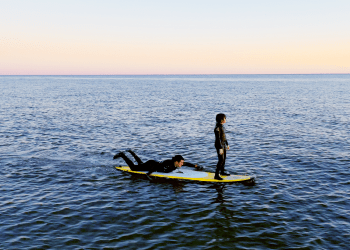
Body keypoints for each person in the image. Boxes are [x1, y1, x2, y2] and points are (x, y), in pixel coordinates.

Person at [113, 150, 201, 176]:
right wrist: (149, 173)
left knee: (140, 164)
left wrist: (195, 166)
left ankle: (132, 153)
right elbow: (156, 167)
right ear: (176, 162)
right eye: (181, 163)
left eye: (182, 163)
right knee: (133, 168)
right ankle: (123, 155)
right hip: (150, 165)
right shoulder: (168, 164)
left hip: (152, 163)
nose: (182, 164)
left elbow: (187, 164)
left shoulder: (176, 163)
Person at [214, 113, 230, 180]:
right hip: (219, 145)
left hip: (223, 144)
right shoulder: (217, 128)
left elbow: (224, 137)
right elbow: (218, 139)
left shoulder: (222, 126)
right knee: (221, 160)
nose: (225, 119)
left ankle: (222, 172)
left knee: (224, 159)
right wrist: (220, 148)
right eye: (224, 118)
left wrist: (227, 144)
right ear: (221, 119)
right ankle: (216, 175)